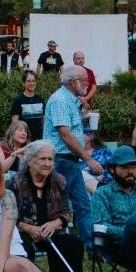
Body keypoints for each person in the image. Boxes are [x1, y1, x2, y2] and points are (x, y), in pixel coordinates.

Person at [12, 139, 89, 272]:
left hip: (50, 232)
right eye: (43, 159)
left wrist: (55, 223)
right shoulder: (17, 182)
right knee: (25, 250)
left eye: (50, 159)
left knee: (72, 244)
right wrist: (28, 228)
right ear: (30, 161)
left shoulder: (59, 181)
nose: (48, 164)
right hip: (23, 232)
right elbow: (8, 216)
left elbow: (66, 213)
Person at [42, 65, 101, 245]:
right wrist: (89, 159)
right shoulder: (60, 100)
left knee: (83, 205)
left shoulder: (72, 100)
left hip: (70, 161)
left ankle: (90, 247)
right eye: (84, 81)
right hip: (60, 160)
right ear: (74, 82)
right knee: (59, 208)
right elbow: (65, 135)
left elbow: (71, 128)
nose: (88, 84)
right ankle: (59, 245)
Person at [10, 70, 46, 141]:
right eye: (28, 81)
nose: (31, 83)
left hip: (39, 140)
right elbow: (14, 123)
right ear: (23, 83)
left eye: (33, 81)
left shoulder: (40, 100)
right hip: (23, 141)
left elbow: (44, 122)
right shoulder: (18, 101)